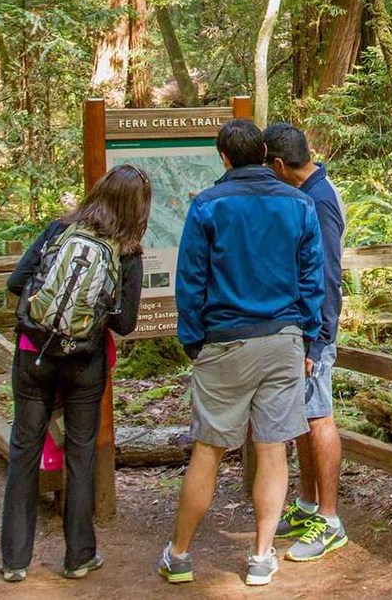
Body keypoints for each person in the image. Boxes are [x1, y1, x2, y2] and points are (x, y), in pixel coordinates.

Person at [160, 118, 325, 587]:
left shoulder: (208, 204)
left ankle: (180, 554)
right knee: (273, 449)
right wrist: (309, 337)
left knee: (208, 450)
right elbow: (312, 278)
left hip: (225, 340)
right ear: (264, 154)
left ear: (225, 157)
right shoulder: (299, 204)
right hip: (283, 339)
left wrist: (193, 339)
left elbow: (191, 279)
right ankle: (259, 556)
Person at [0, 164, 148, 583]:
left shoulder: (57, 232)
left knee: (23, 449)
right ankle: (78, 555)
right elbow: (125, 324)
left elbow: (16, 283)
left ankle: (14, 559)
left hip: (34, 355)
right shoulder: (127, 251)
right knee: (80, 453)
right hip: (85, 363)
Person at [263, 122, 349, 562]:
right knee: (303, 417)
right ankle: (309, 505)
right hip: (302, 329)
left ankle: (330, 522)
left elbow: (329, 276)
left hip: (315, 333)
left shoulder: (318, 202)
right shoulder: (307, 194)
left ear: (280, 164)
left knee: (319, 419)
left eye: (267, 168)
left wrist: (318, 343)